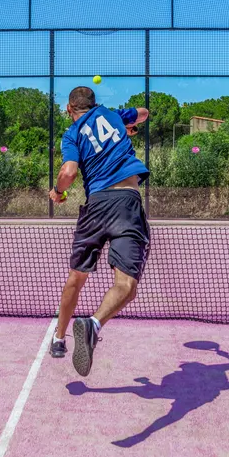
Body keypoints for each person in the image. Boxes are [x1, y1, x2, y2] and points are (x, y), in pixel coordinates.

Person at [49, 86, 150, 376]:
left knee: (76, 277)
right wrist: (127, 124)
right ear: (95, 105)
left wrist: (57, 191)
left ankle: (58, 339)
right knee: (126, 285)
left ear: (69, 109)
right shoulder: (113, 115)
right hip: (127, 204)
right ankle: (94, 324)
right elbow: (144, 113)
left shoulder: (72, 134)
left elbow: (69, 172)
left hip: (96, 206)